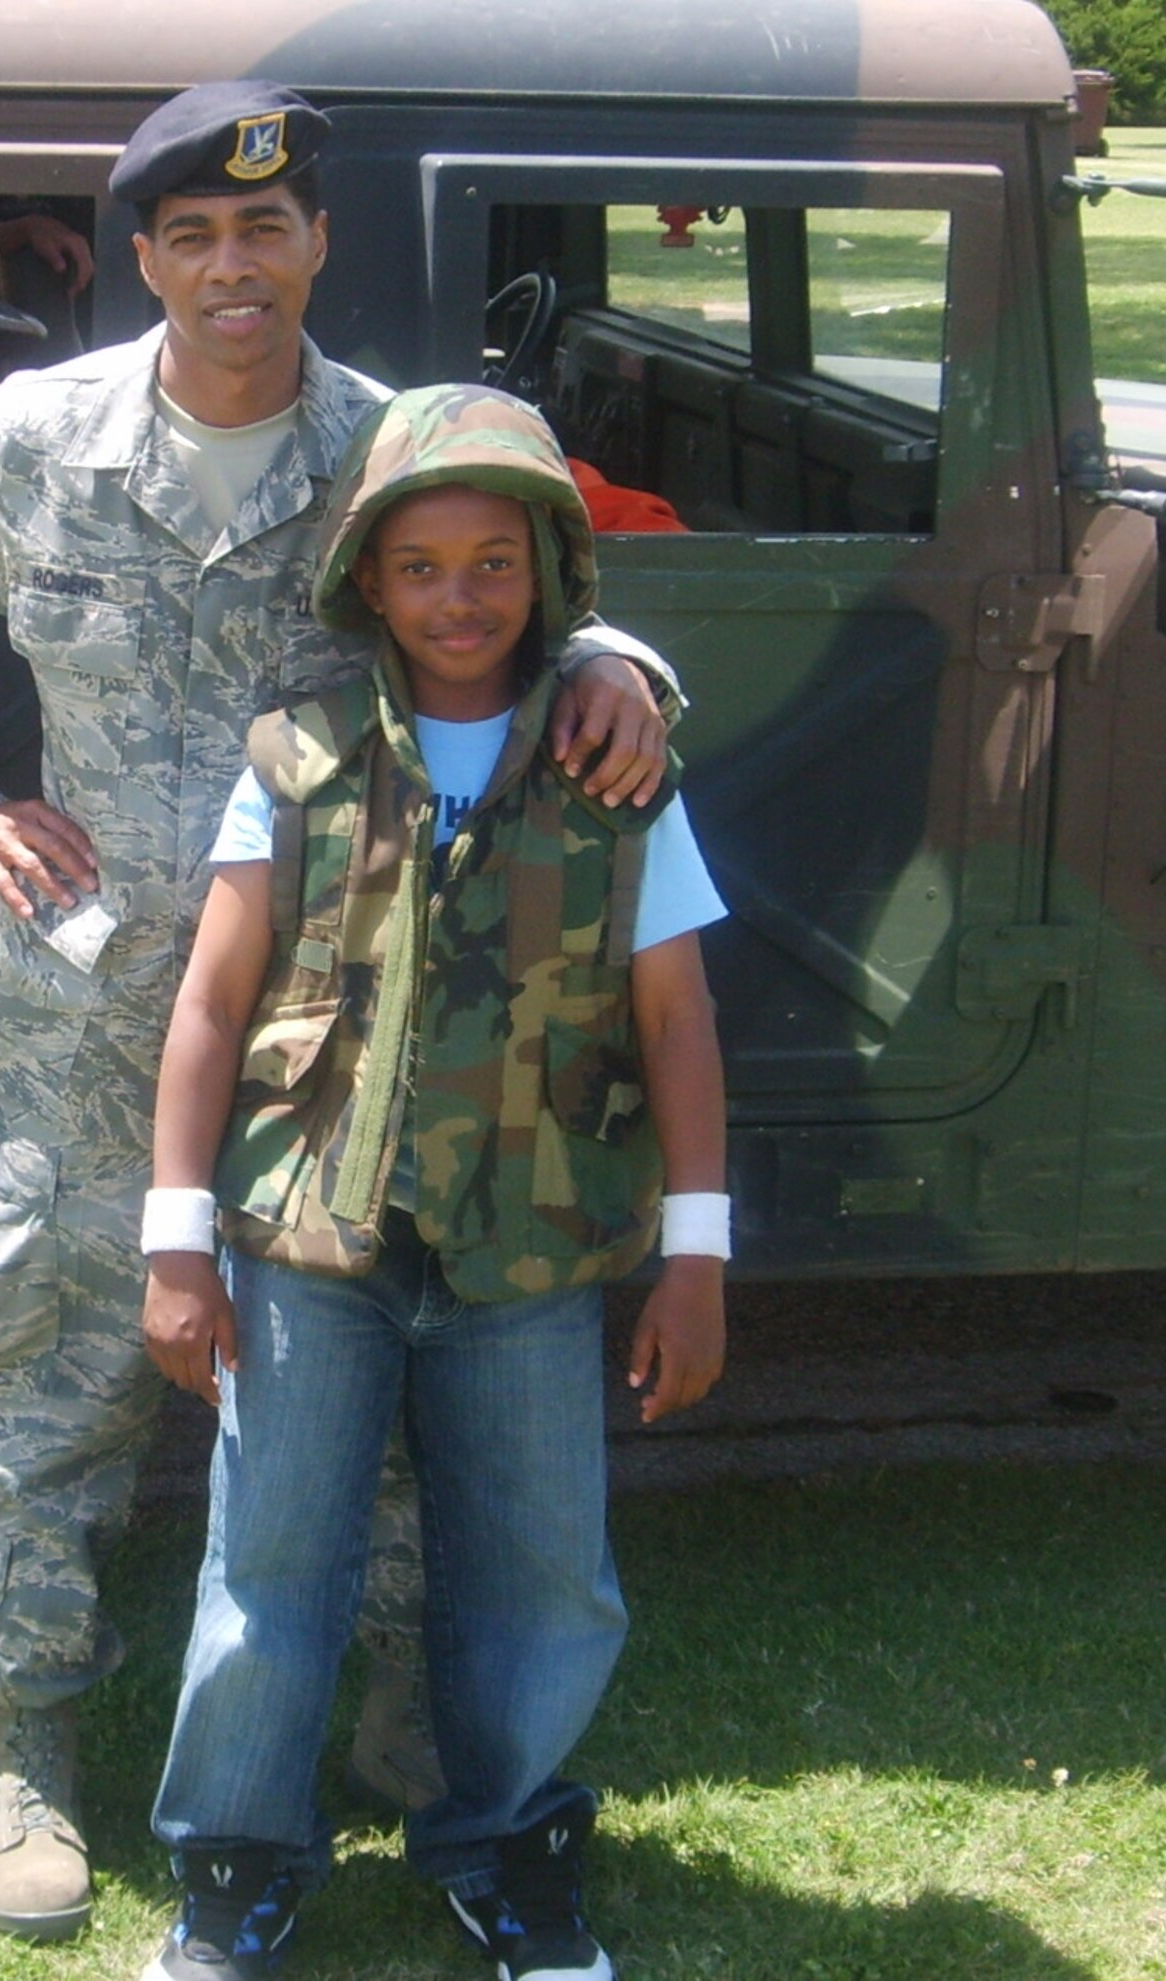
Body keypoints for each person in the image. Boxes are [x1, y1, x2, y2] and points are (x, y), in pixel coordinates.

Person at [0, 82, 680, 1943]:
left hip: (345, 1047)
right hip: (84, 1018)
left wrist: (622, 660)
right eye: (194, 234)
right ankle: (30, 1746)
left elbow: (532, 593)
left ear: (316, 248)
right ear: (144, 259)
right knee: (46, 1386)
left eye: (267, 231)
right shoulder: (27, 445)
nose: (234, 263)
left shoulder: (391, 451)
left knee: (356, 1397)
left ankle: (392, 1710)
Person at [139, 383, 729, 1981]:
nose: (457, 598)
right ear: (365, 584)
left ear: (547, 572)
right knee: (273, 1551)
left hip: (532, 1247)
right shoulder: (299, 760)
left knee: (541, 1562)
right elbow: (211, 1001)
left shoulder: (621, 772)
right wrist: (175, 1238)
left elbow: (675, 1020)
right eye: (418, 567)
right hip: (308, 1238)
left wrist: (699, 1255)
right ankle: (235, 1866)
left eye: (492, 563)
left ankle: (512, 1851)